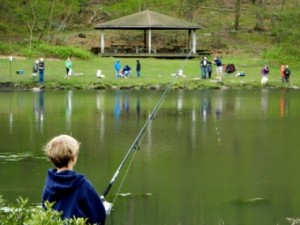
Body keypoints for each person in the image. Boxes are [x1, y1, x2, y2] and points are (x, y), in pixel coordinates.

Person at [42, 134, 108, 225]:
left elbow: (46, 212)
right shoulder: (83, 185)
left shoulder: (49, 184)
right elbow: (99, 217)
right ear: (73, 158)